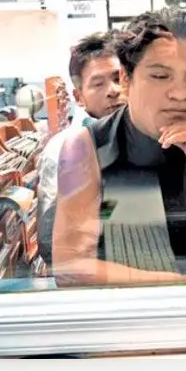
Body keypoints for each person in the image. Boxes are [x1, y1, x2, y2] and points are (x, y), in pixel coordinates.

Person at [52, 8, 186, 286]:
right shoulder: (85, 147)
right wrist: (181, 285)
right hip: (123, 307)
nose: (180, 94)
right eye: (161, 76)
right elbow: (69, 267)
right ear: (126, 80)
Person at [36, 31, 126, 262]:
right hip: (94, 270)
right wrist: (114, 205)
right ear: (79, 97)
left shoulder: (146, 135)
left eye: (119, 79)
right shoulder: (62, 150)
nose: (113, 90)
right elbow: (49, 242)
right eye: (98, 84)